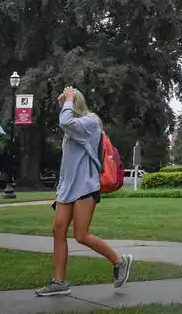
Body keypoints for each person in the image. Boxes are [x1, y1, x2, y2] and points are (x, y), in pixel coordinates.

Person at [35, 87, 133, 297]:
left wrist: (69, 97)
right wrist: (60, 188)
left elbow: (65, 121)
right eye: (62, 104)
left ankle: (119, 261)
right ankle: (59, 282)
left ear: (75, 102)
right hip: (67, 189)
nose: (63, 107)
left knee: (81, 235)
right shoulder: (71, 131)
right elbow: (67, 164)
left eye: (66, 103)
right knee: (58, 230)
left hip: (85, 187)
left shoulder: (90, 123)